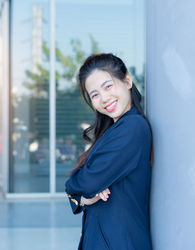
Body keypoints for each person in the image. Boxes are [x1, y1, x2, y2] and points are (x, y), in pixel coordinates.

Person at [65, 53, 154, 250]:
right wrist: (84, 197)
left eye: (108, 86)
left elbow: (86, 182)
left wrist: (77, 188)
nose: (104, 98)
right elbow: (87, 187)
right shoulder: (114, 130)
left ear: (127, 80)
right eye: (95, 94)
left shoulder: (132, 127)